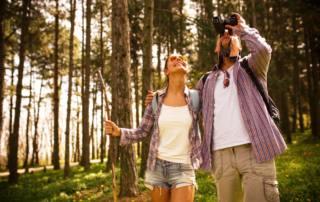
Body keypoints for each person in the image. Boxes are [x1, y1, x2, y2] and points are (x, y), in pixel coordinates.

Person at [145, 13, 287, 202]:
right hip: (220, 156)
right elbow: (187, 106)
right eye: (222, 35)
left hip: (255, 150)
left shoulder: (252, 67)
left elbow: (263, 49)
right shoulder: (206, 80)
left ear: (241, 43)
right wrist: (159, 98)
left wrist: (241, 28)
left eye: (231, 34)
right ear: (216, 47)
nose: (226, 35)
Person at [105, 54, 202, 202]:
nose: (178, 59)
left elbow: (213, 120)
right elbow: (142, 132)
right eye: (172, 58)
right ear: (166, 71)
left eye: (182, 58)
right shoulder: (156, 100)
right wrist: (119, 132)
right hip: (157, 168)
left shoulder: (197, 98)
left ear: (187, 69)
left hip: (184, 168)